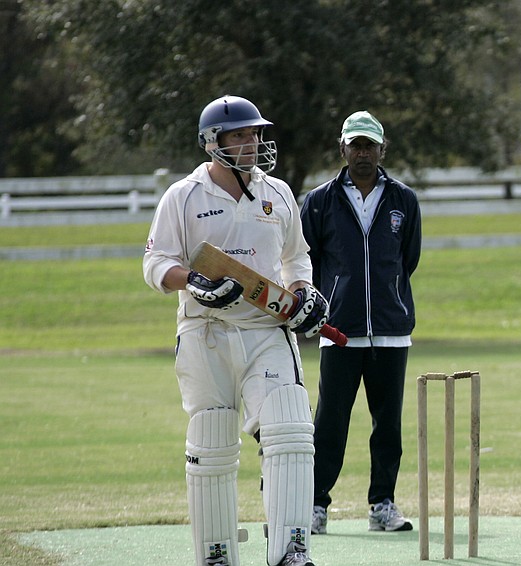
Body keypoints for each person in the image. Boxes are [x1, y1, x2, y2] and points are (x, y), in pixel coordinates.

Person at [143, 95, 328, 566]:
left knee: (290, 428)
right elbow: (156, 262)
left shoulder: (279, 193)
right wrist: (195, 282)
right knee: (212, 438)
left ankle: (291, 551)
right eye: (240, 135)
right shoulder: (184, 196)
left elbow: (295, 257)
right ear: (212, 143)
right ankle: (216, 553)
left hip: (267, 330)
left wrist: (303, 291)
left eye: (256, 134)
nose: (253, 143)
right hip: (206, 331)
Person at [299, 110, 422, 535]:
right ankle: (315, 505)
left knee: (387, 424)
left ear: (382, 149)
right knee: (330, 421)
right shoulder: (320, 201)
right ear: (343, 148)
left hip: (391, 330)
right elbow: (308, 262)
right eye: (356, 145)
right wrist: (327, 306)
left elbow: (409, 259)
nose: (363, 153)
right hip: (339, 331)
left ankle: (382, 505)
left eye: (370, 145)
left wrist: (386, 294)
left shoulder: (403, 199)